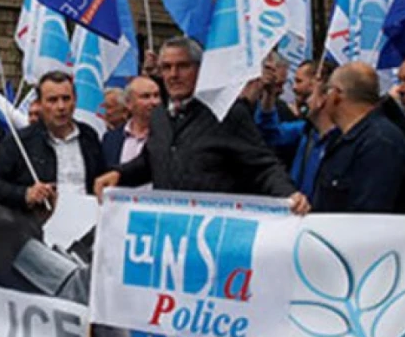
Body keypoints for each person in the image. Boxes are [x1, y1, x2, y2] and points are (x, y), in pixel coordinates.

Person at [95, 37, 310, 214]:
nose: (173, 75)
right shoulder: (159, 114)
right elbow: (153, 159)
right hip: (170, 233)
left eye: (182, 66)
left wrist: (289, 195)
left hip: (213, 234)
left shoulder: (226, 112)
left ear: (200, 69)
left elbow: (263, 165)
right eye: (166, 67)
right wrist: (120, 175)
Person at [0, 71, 106, 212]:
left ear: (75, 100)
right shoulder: (22, 141)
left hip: (86, 221)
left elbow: (101, 179)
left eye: (66, 99)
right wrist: (25, 194)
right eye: (52, 100)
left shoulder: (89, 136)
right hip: (39, 225)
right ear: (39, 104)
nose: (61, 107)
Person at [312, 63, 405, 213]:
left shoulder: (380, 142)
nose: (324, 98)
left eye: (327, 91)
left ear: (337, 94)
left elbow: (369, 215)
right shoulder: (340, 138)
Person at [256, 63, 340, 199]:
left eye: (311, 94)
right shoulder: (306, 131)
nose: (305, 103)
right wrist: (269, 95)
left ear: (325, 97)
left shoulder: (344, 141)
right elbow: (270, 133)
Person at [101, 76, 161, 167]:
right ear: (129, 103)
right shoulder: (111, 138)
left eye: (156, 95)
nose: (154, 102)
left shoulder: (168, 134)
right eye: (146, 96)